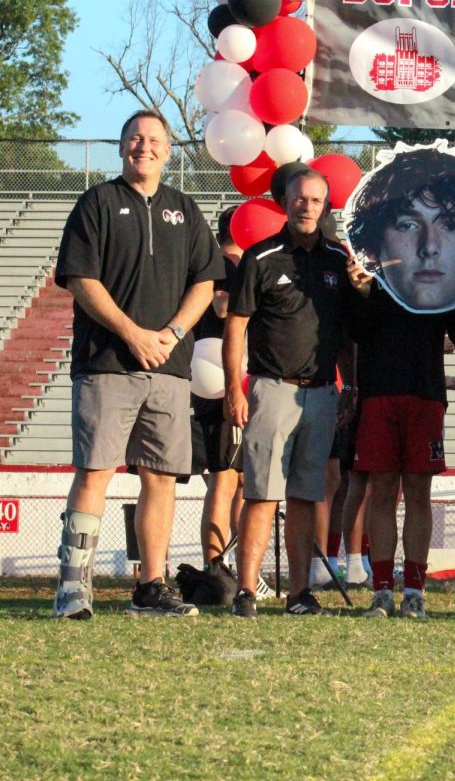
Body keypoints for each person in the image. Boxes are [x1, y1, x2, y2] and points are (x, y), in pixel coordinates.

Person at [52, 109, 223, 619]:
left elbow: (205, 282)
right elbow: (82, 280)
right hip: (106, 363)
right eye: (134, 138)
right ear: (121, 145)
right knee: (95, 471)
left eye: (154, 140)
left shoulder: (185, 209)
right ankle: (73, 586)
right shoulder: (97, 202)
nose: (143, 146)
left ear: (169, 151)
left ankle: (152, 587)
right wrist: (132, 333)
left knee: (161, 477)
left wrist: (169, 334)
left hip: (169, 368)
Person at [347, 153, 455, 619]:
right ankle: (382, 588)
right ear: (381, 232)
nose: (429, 246)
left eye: (446, 225)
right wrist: (357, 290)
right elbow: (350, 331)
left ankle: (414, 589)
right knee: (381, 490)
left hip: (425, 393)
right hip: (376, 394)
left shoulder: (450, 286)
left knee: (418, 493)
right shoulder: (366, 282)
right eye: (409, 224)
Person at [223, 169, 366, 618]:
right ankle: (247, 590)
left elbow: (345, 333)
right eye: (300, 198)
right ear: (285, 201)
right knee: (262, 495)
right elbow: (236, 324)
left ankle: (299, 594)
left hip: (322, 393)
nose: (308, 206)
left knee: (306, 496)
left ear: (327, 206)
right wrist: (234, 388)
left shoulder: (336, 259)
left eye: (317, 200)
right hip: (271, 389)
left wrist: (352, 384)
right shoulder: (261, 256)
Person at [346, 142, 455, 313]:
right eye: (408, 225)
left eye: (451, 225)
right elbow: (360, 333)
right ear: (373, 246)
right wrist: (362, 293)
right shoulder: (373, 291)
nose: (429, 247)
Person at [194, 206, 246, 575]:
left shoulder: (209, 265)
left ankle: (233, 566)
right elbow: (224, 307)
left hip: (217, 378)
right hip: (222, 380)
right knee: (226, 479)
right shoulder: (226, 267)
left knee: (235, 478)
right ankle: (220, 568)